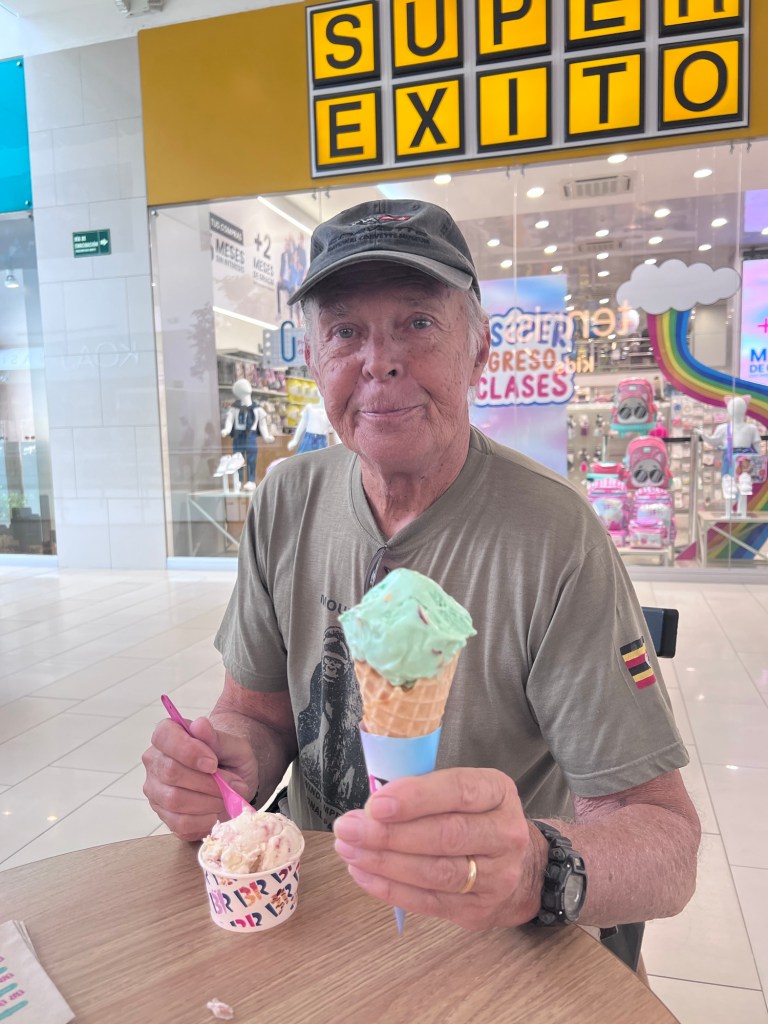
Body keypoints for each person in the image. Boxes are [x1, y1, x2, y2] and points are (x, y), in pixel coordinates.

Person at [143, 199, 699, 972]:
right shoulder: (285, 501)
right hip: (316, 917)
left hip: (489, 941)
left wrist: (536, 870)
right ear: (314, 361)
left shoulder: (555, 534)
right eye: (345, 332)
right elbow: (255, 716)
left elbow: (665, 839)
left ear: (479, 351)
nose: (380, 361)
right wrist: (227, 763)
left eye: (418, 323)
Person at [221, 379, 274, 489]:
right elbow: (230, 420)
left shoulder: (257, 408)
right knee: (237, 459)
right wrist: (226, 429)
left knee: (251, 459)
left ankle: (251, 480)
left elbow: (262, 424)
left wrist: (266, 436)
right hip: (238, 436)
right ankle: (238, 480)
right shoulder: (235, 408)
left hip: (251, 436)